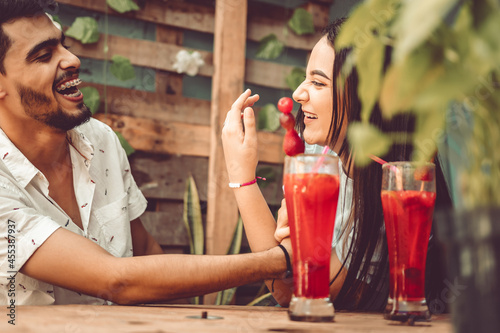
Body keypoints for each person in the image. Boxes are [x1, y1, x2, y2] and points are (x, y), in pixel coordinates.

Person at [0, 0, 292, 306]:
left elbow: (145, 249)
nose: (72, 59)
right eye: (44, 56)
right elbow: (116, 280)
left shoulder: (101, 141)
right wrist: (281, 260)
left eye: (64, 45)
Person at [222, 18, 452, 310]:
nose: (298, 93)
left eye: (318, 82)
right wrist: (292, 252)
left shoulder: (399, 191)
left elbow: (291, 291)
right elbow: (285, 277)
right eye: (307, 78)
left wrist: (241, 175)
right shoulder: (321, 159)